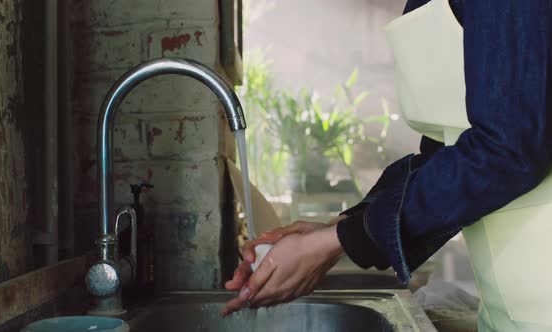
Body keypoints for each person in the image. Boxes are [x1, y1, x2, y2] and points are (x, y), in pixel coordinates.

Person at [222, 0, 552, 331]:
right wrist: (340, 227)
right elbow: (449, 151)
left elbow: (507, 148)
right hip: (509, 306)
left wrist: (336, 240)